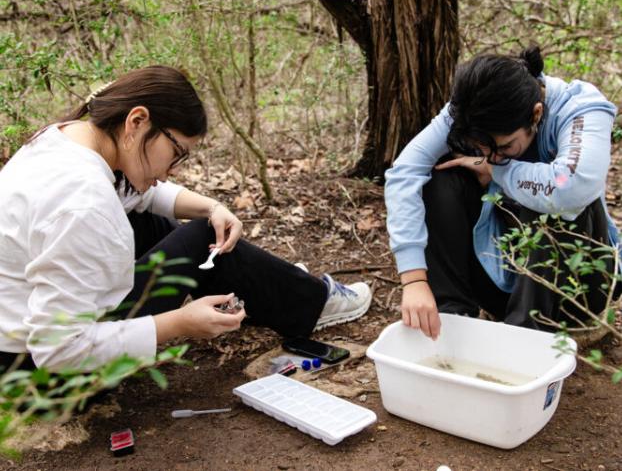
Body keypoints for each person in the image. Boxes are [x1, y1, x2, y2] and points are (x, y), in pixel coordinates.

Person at [0, 65, 371, 373]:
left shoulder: (67, 139)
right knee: (197, 240)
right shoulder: (84, 204)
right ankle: (307, 300)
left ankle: (269, 291)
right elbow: (59, 352)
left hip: (17, 332)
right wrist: (178, 324)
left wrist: (212, 207)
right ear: (137, 121)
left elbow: (142, 194)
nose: (169, 172)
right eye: (175, 153)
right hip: (38, 378)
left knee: (157, 223)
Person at [384, 45, 620, 339]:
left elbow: (573, 187)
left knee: (556, 197)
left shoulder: (579, 106)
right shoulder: (470, 111)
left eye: (506, 147)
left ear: (536, 115)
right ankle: (451, 320)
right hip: (503, 278)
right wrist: (413, 279)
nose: (494, 156)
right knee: (442, 175)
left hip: (578, 287)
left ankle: (523, 340)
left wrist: (497, 171)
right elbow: (404, 171)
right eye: (484, 149)